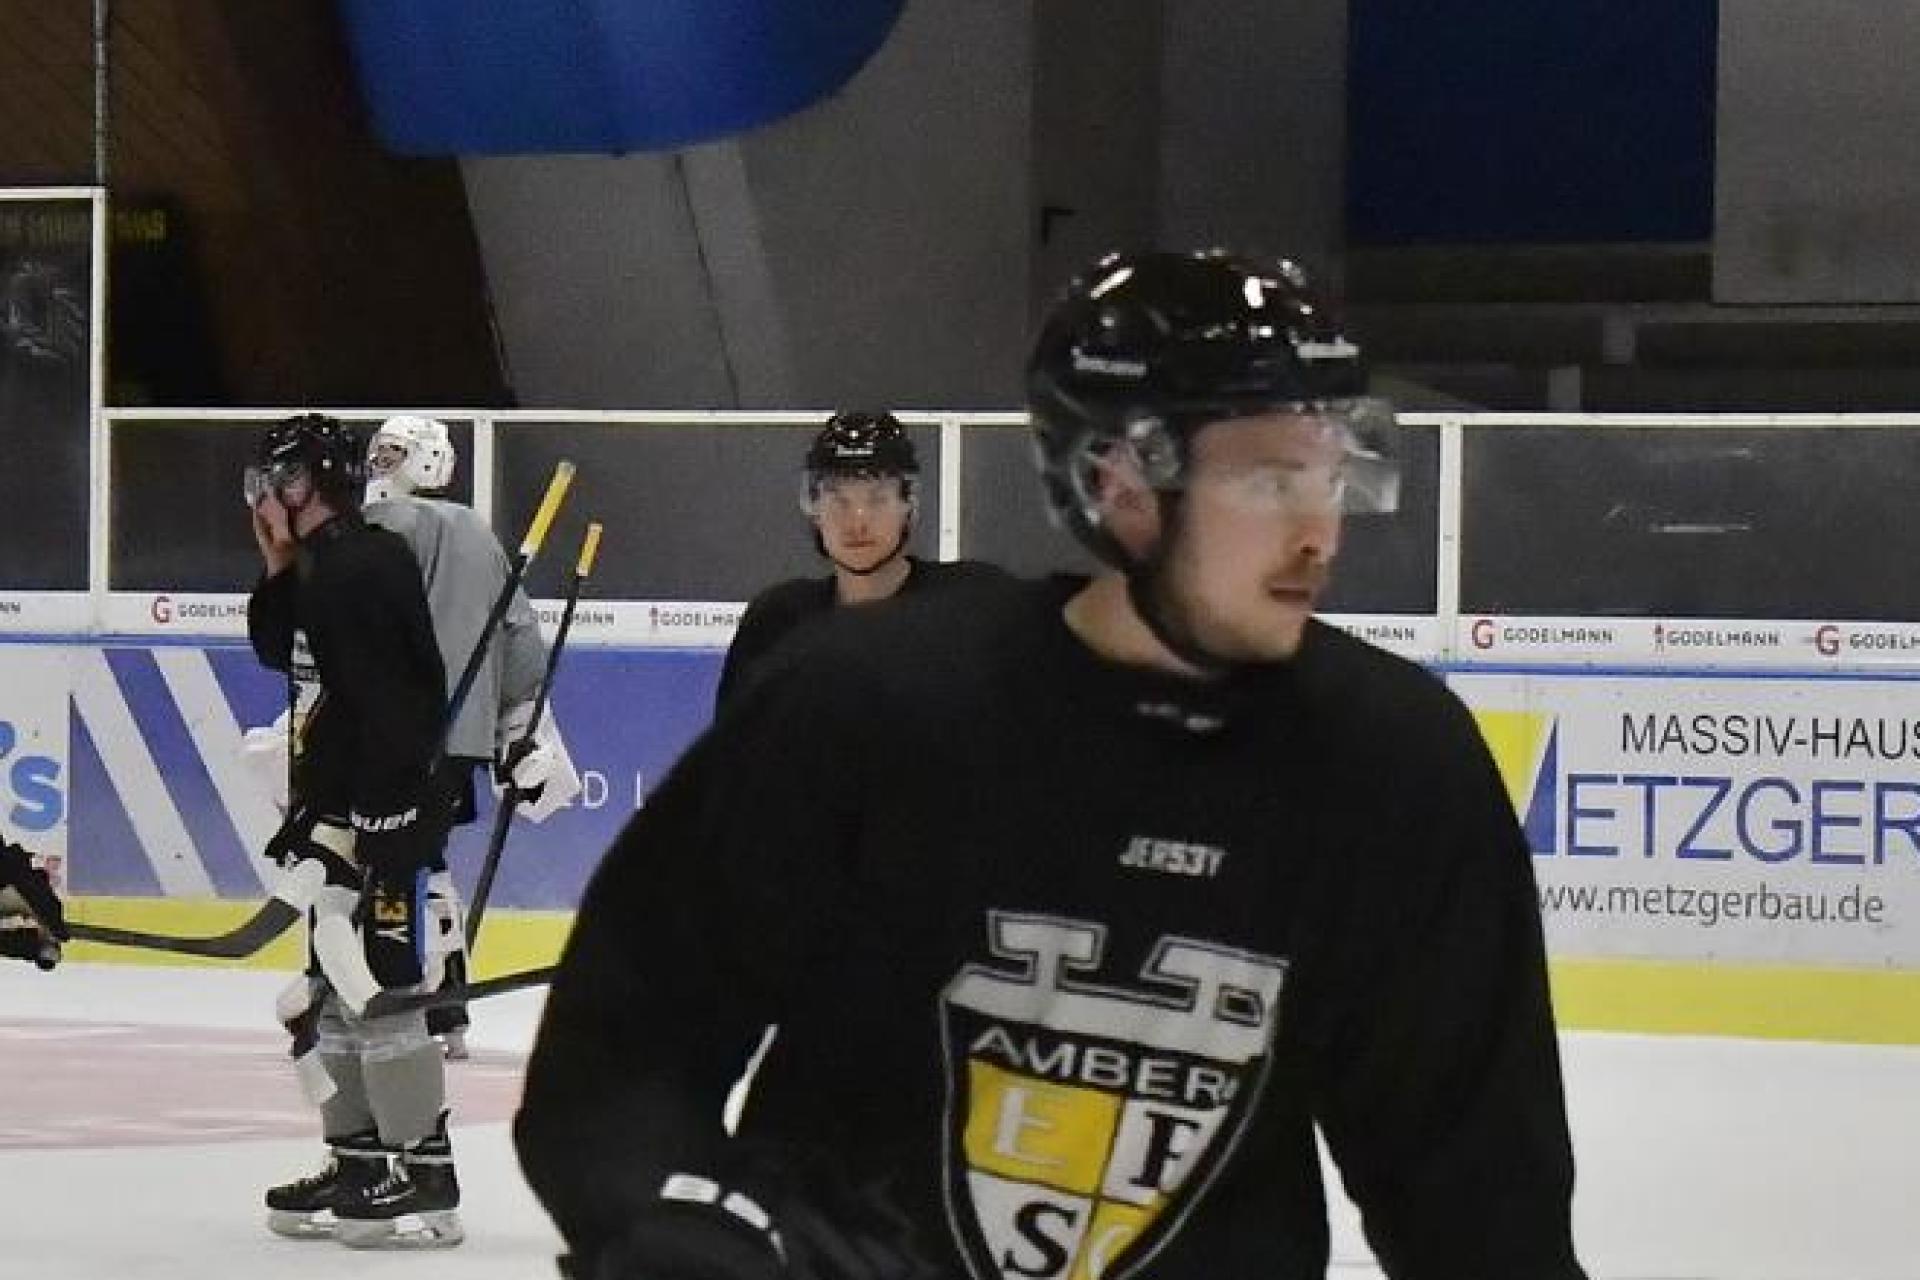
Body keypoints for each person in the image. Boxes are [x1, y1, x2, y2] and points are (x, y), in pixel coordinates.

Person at [514, 251, 1587, 1280]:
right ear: (1116, 480)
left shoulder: (1395, 770)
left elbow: (1479, 1203)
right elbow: (624, 1045)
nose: (1319, 531)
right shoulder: (868, 709)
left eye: (1331, 475)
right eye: (1270, 480)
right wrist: (679, 1221)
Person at [245, 413, 463, 1249]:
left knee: (383, 990)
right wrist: (275, 562)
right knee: (333, 996)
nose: (266, 500)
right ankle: (361, 1159)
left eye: (279, 484)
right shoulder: (322, 566)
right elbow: (278, 651)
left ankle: (425, 1174)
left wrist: (386, 819)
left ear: (312, 483)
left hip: (384, 814)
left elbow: (401, 705)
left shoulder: (364, 566)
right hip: (337, 817)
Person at [362, 414, 573, 1059]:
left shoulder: (377, 528)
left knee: (383, 865)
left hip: (390, 734)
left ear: (424, 459)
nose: (380, 462)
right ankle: (446, 1006)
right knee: (427, 862)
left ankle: (395, 993)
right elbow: (520, 647)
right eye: (380, 449)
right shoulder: (480, 536)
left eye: (395, 451)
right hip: (458, 740)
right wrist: (516, 731)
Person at [713, 409, 1007, 707]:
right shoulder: (776, 623)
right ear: (814, 509)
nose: (857, 521)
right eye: (839, 501)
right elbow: (734, 746)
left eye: (877, 499)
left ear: (908, 504)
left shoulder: (968, 604)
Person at [0, 838, 66, 969]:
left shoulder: (20, 946)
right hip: (11, 873)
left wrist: (9, 922)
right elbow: (43, 890)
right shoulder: (53, 922)